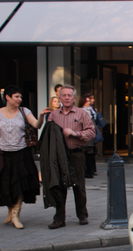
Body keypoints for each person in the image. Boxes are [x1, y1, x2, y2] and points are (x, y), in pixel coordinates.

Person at [0, 85, 49, 229]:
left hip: (22, 154)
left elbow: (36, 125)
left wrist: (41, 116)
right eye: (16, 96)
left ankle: (15, 215)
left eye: (20, 97)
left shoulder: (24, 111)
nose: (19, 99)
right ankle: (10, 211)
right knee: (6, 185)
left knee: (21, 186)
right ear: (8, 97)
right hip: (3, 154)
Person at [48, 85, 95, 229]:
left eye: (70, 95)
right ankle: (59, 218)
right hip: (59, 156)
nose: (67, 98)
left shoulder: (82, 113)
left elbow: (91, 132)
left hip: (77, 153)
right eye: (64, 95)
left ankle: (82, 215)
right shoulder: (54, 115)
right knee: (60, 185)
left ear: (74, 98)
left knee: (79, 185)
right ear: (60, 97)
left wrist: (75, 134)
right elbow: (48, 135)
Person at [78, 93, 97, 178]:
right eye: (87, 101)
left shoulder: (91, 110)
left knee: (91, 154)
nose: (89, 102)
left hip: (91, 134)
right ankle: (87, 171)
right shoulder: (81, 111)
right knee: (86, 153)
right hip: (85, 134)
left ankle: (91, 171)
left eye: (89, 101)